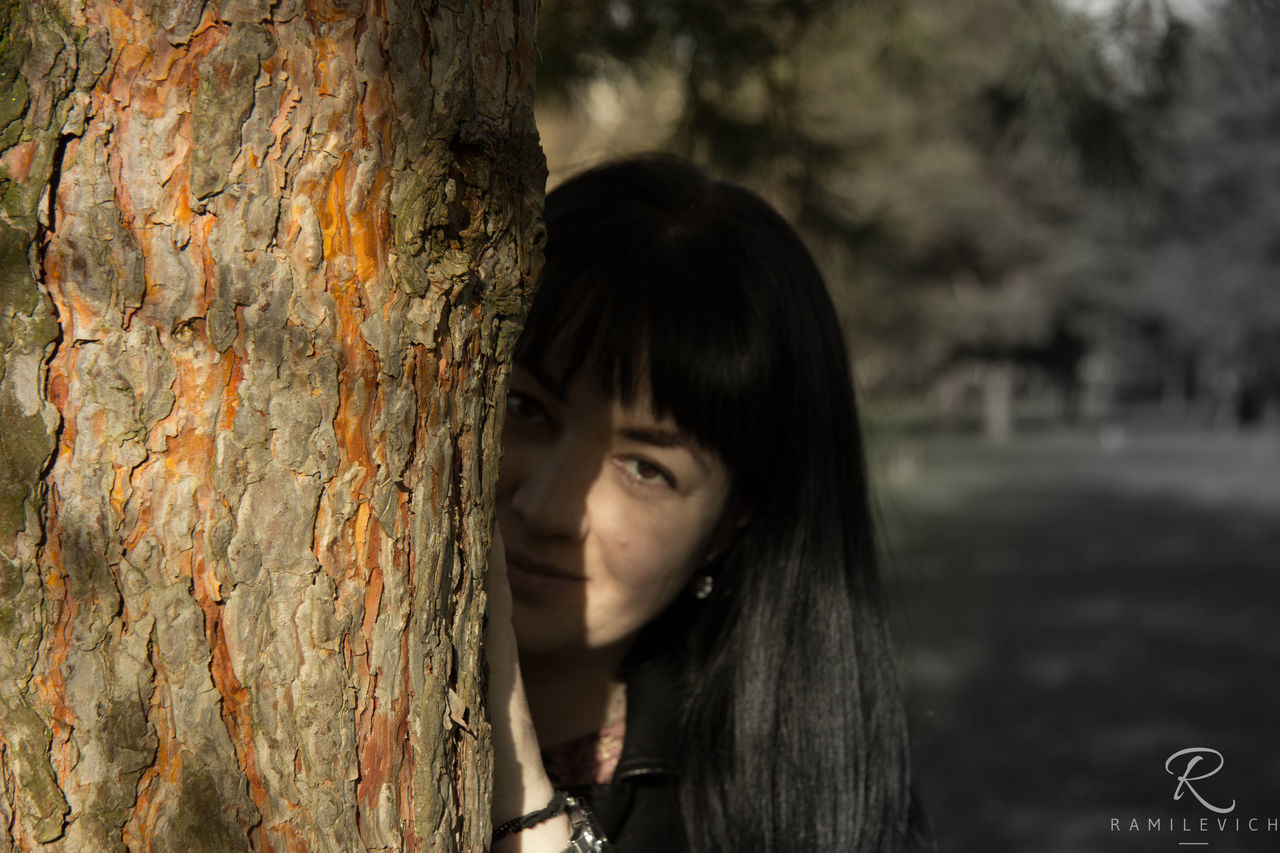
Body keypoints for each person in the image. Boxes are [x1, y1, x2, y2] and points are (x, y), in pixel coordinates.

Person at [487, 156, 927, 852]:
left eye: (644, 467)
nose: (546, 507)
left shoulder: (791, 816)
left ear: (730, 522)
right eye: (525, 408)